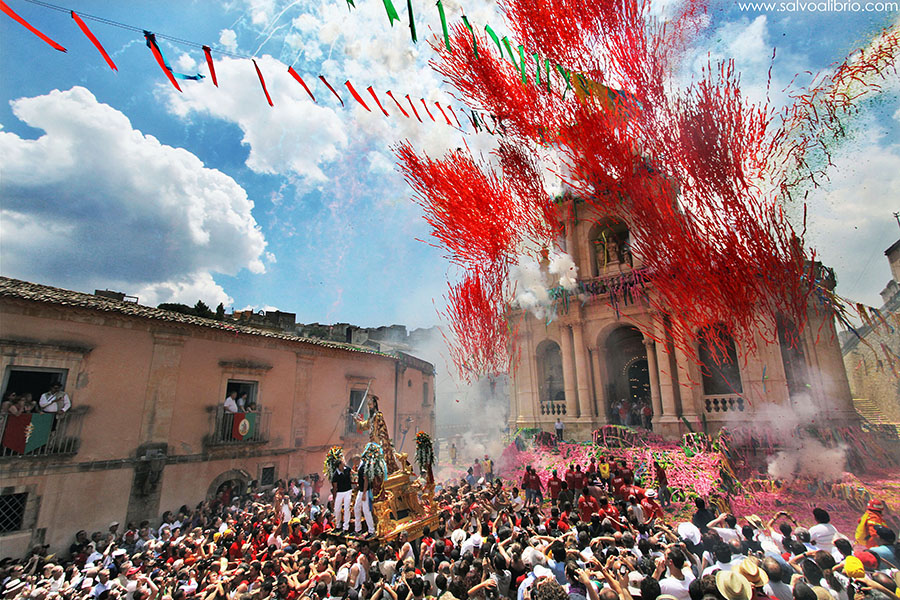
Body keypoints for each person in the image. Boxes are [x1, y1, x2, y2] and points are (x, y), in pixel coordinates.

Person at [354, 395, 400, 473]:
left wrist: (382, 441)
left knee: (382, 458)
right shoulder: (371, 418)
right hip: (372, 442)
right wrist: (356, 421)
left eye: (370, 404)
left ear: (375, 404)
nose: (369, 407)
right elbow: (365, 426)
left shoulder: (378, 416)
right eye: (368, 405)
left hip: (379, 441)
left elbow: (382, 429)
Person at [354, 454, 376, 537]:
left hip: (364, 491)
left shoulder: (363, 467)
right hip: (361, 490)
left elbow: (366, 480)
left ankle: (371, 531)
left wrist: (364, 493)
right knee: (356, 508)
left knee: (366, 510)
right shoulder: (360, 466)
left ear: (357, 460)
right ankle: (358, 529)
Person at [331, 456, 353, 533]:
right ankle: (337, 525)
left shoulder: (347, 469)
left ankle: (345, 527)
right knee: (337, 509)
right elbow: (335, 487)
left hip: (348, 490)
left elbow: (353, 475)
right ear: (339, 465)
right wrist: (334, 498)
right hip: (340, 492)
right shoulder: (335, 475)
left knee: (347, 508)